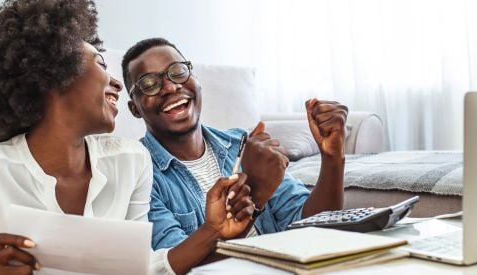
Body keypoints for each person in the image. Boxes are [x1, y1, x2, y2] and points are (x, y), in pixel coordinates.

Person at [0, 1, 253, 274]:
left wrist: (213, 231)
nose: (116, 83)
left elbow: (144, 269)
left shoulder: (130, 161)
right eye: (101, 63)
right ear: (56, 74)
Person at [121, 38, 349, 259]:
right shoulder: (138, 172)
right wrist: (255, 194)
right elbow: (176, 265)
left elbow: (314, 226)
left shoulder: (240, 144)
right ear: (135, 109)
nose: (170, 86)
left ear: (196, 79)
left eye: (178, 71)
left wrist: (332, 158)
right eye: (149, 84)